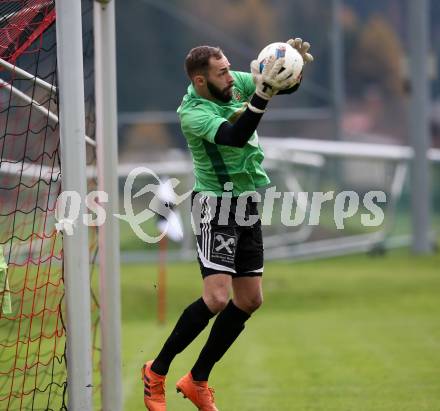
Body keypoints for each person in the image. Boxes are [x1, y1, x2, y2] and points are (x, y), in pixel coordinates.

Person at [142, 38, 313, 411]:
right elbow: (235, 138)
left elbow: (275, 83)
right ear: (202, 81)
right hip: (215, 207)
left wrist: (292, 69)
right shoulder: (193, 112)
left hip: (246, 203)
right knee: (217, 298)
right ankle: (156, 372)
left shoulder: (231, 80)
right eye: (222, 73)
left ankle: (197, 380)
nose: (231, 77)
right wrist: (264, 94)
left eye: (229, 68)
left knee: (250, 299)